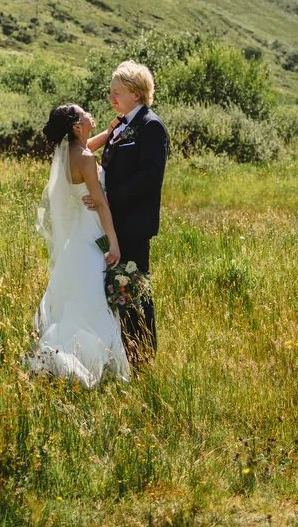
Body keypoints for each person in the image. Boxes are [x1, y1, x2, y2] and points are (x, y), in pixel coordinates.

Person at [24, 103, 130, 387]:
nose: (89, 114)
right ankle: (91, 357)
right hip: (93, 226)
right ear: (76, 126)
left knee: (80, 293)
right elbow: (101, 203)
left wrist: (110, 130)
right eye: (84, 114)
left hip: (80, 230)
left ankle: (72, 350)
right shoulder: (84, 157)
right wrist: (114, 243)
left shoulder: (72, 153)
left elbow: (88, 147)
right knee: (93, 294)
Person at [84, 61, 166, 367]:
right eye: (111, 92)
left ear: (135, 93)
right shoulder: (120, 124)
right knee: (117, 290)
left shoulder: (151, 126)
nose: (111, 98)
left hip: (133, 225)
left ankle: (143, 358)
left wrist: (107, 198)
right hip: (112, 223)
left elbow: (150, 177)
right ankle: (122, 355)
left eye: (116, 92)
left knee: (135, 290)